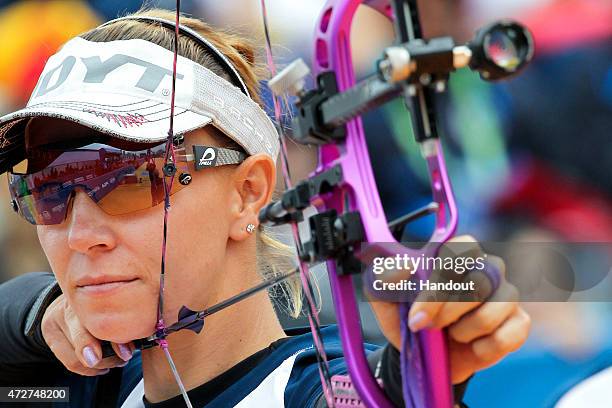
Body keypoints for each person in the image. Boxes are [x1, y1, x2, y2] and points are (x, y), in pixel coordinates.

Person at [0, 8, 530, 408]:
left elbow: (366, 394)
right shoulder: (80, 384)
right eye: (51, 190)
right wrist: (38, 315)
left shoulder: (308, 388)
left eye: (129, 179)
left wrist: (417, 367)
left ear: (248, 191)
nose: (79, 235)